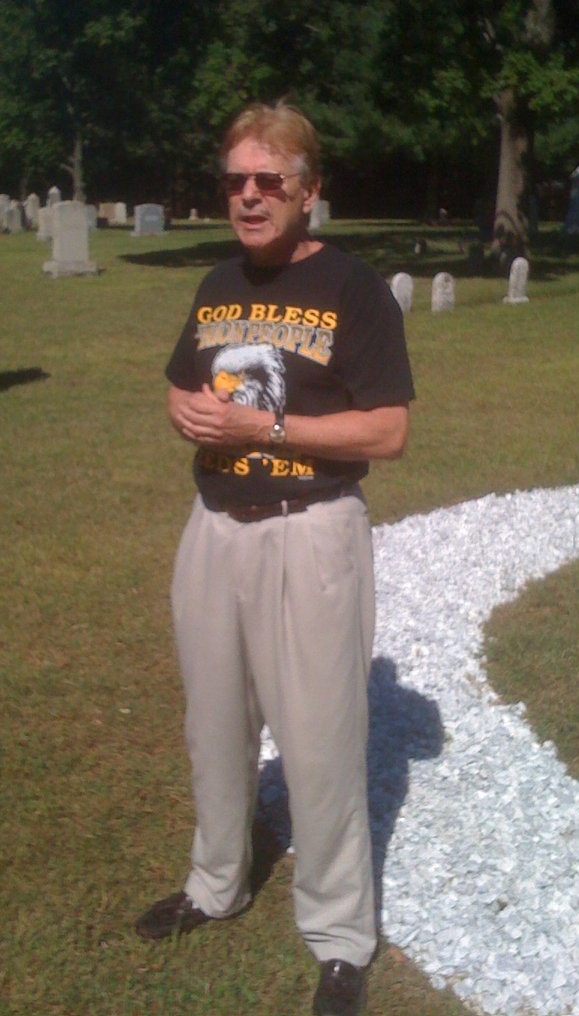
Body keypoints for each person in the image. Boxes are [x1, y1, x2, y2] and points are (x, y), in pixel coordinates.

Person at [135, 103, 415, 1016]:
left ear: (309, 190)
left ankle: (339, 936)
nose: (249, 197)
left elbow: (389, 430)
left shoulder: (354, 289)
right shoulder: (218, 282)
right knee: (213, 723)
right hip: (215, 525)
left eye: (269, 181)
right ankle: (216, 882)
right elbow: (185, 376)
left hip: (312, 526)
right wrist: (183, 407)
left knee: (322, 742)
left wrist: (266, 424)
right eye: (235, 182)